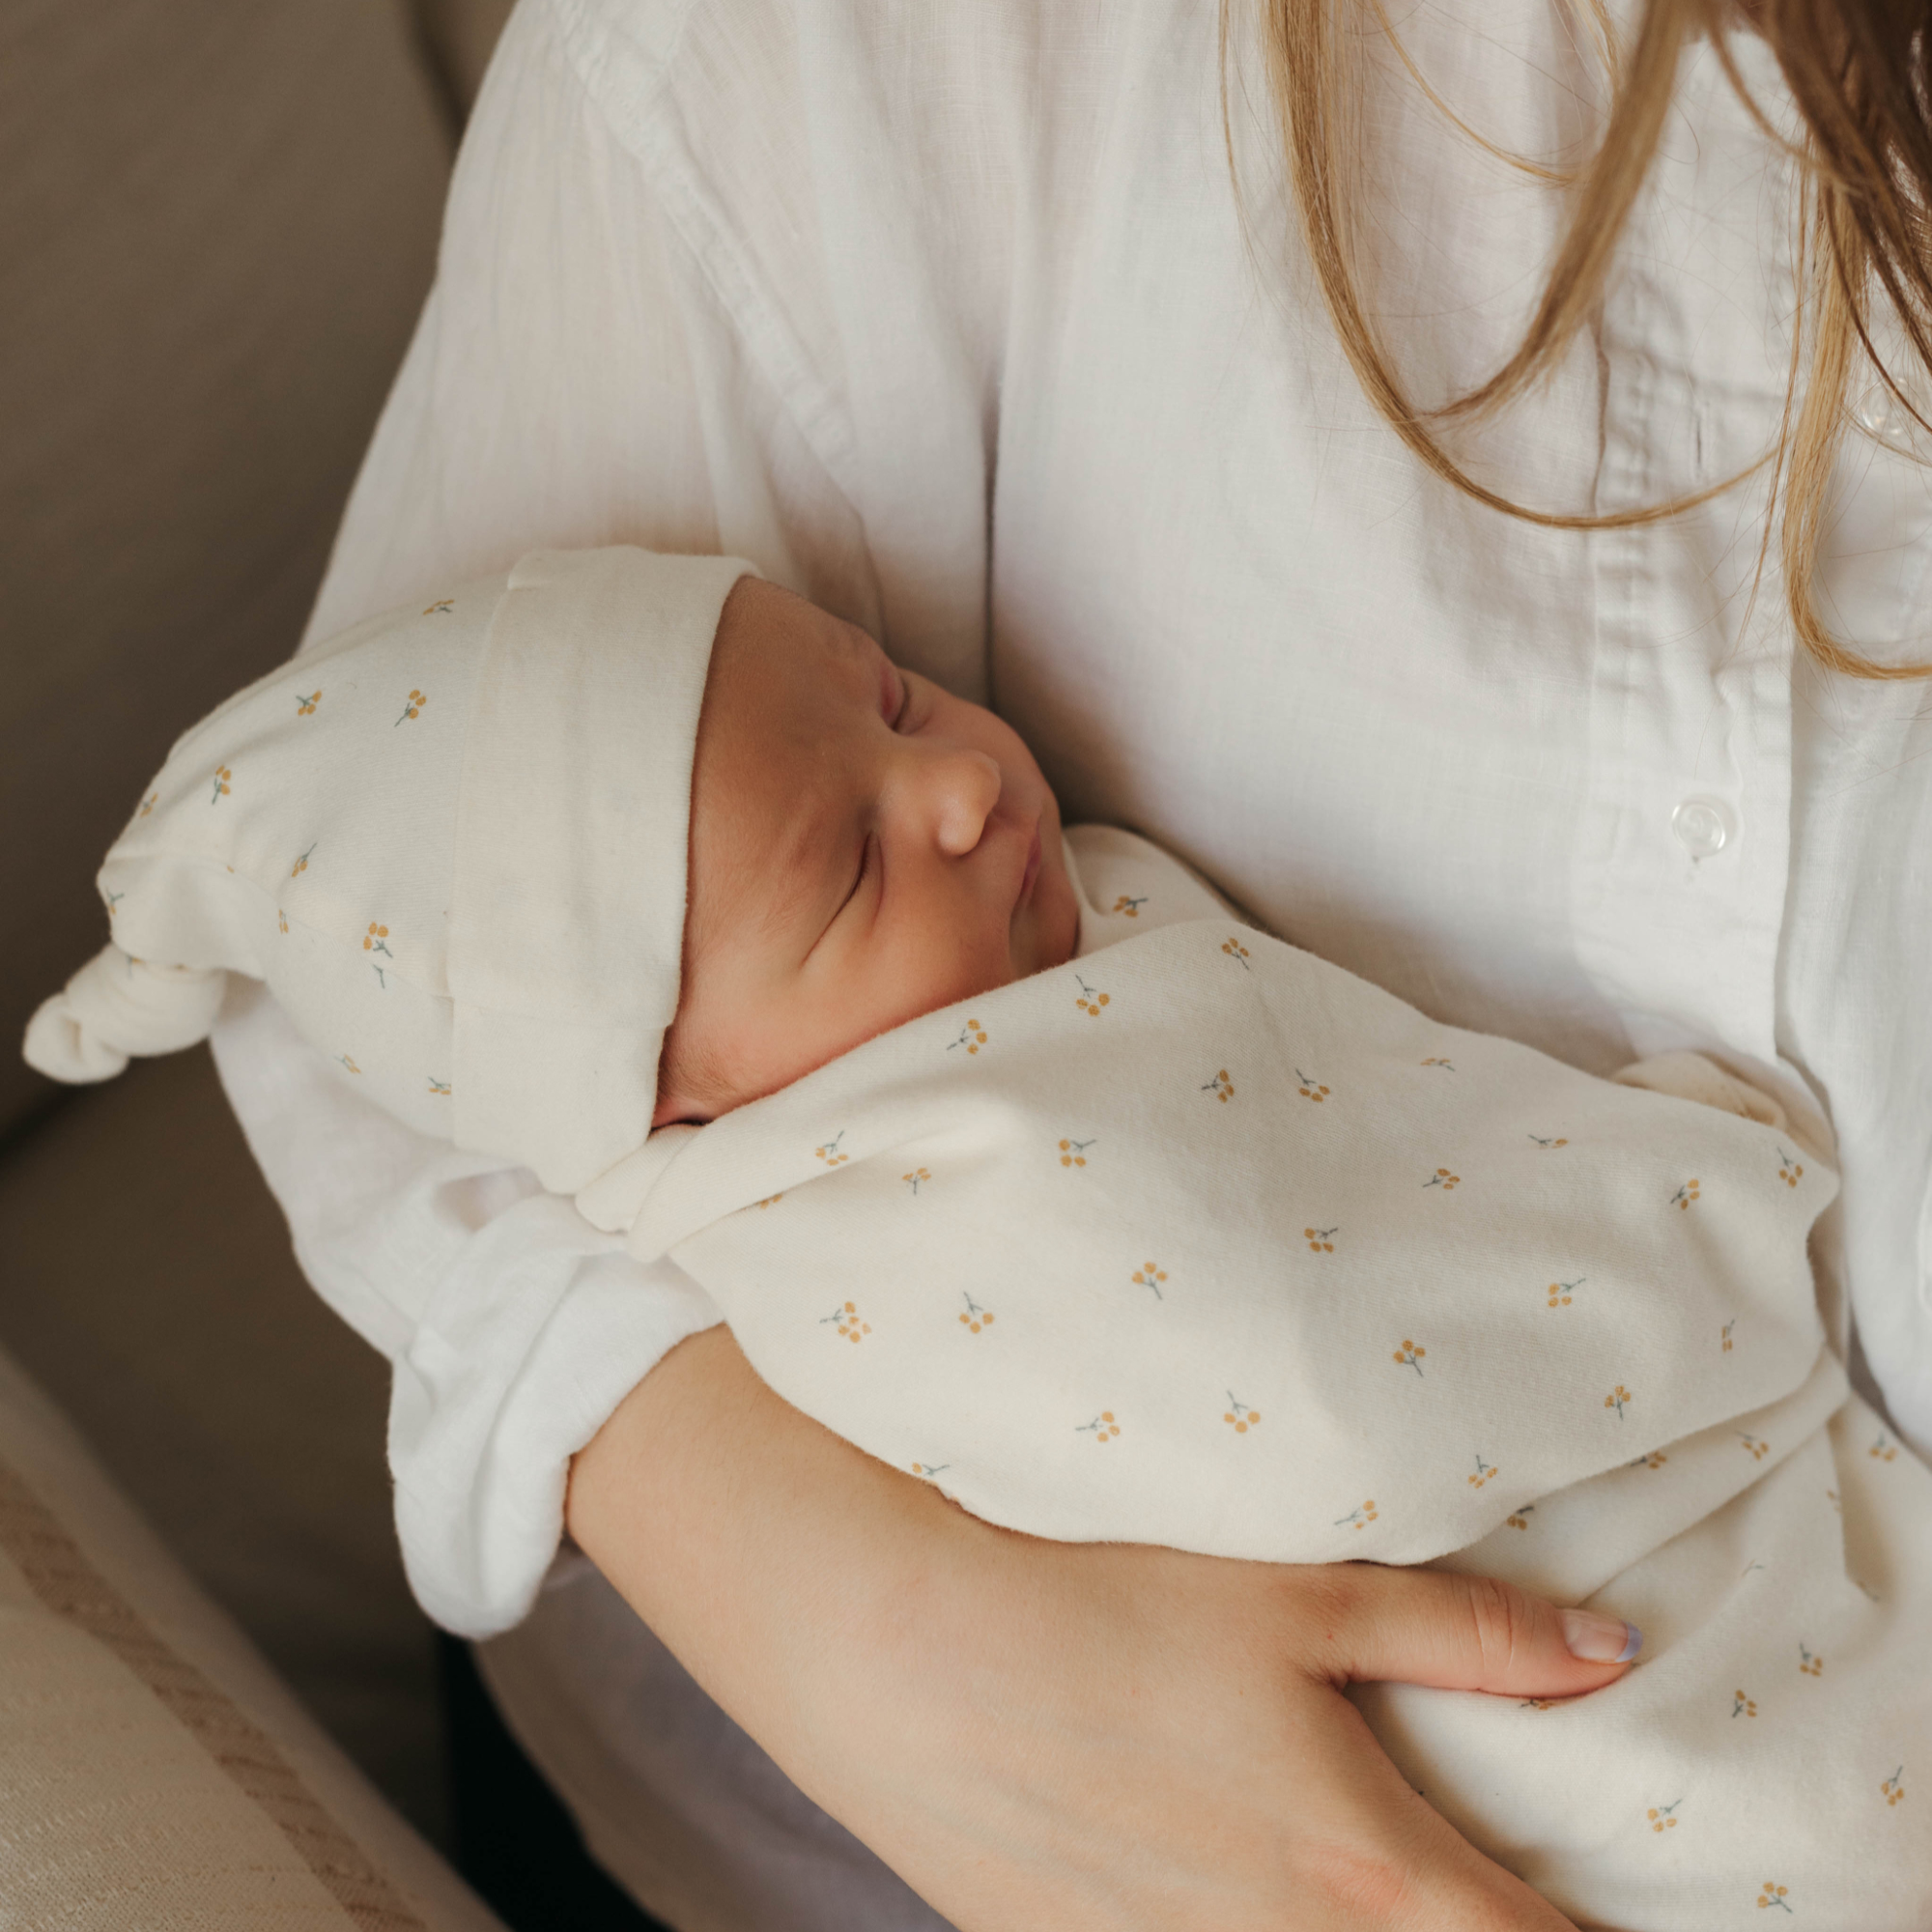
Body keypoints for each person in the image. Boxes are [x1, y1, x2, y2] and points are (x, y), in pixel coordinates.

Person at [202, 1, 1932, 1926]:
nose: (953, 792)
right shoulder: (806, 66)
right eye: (851, 853)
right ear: (671, 1099)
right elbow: (353, 985)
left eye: (902, 700)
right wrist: (881, 1637)